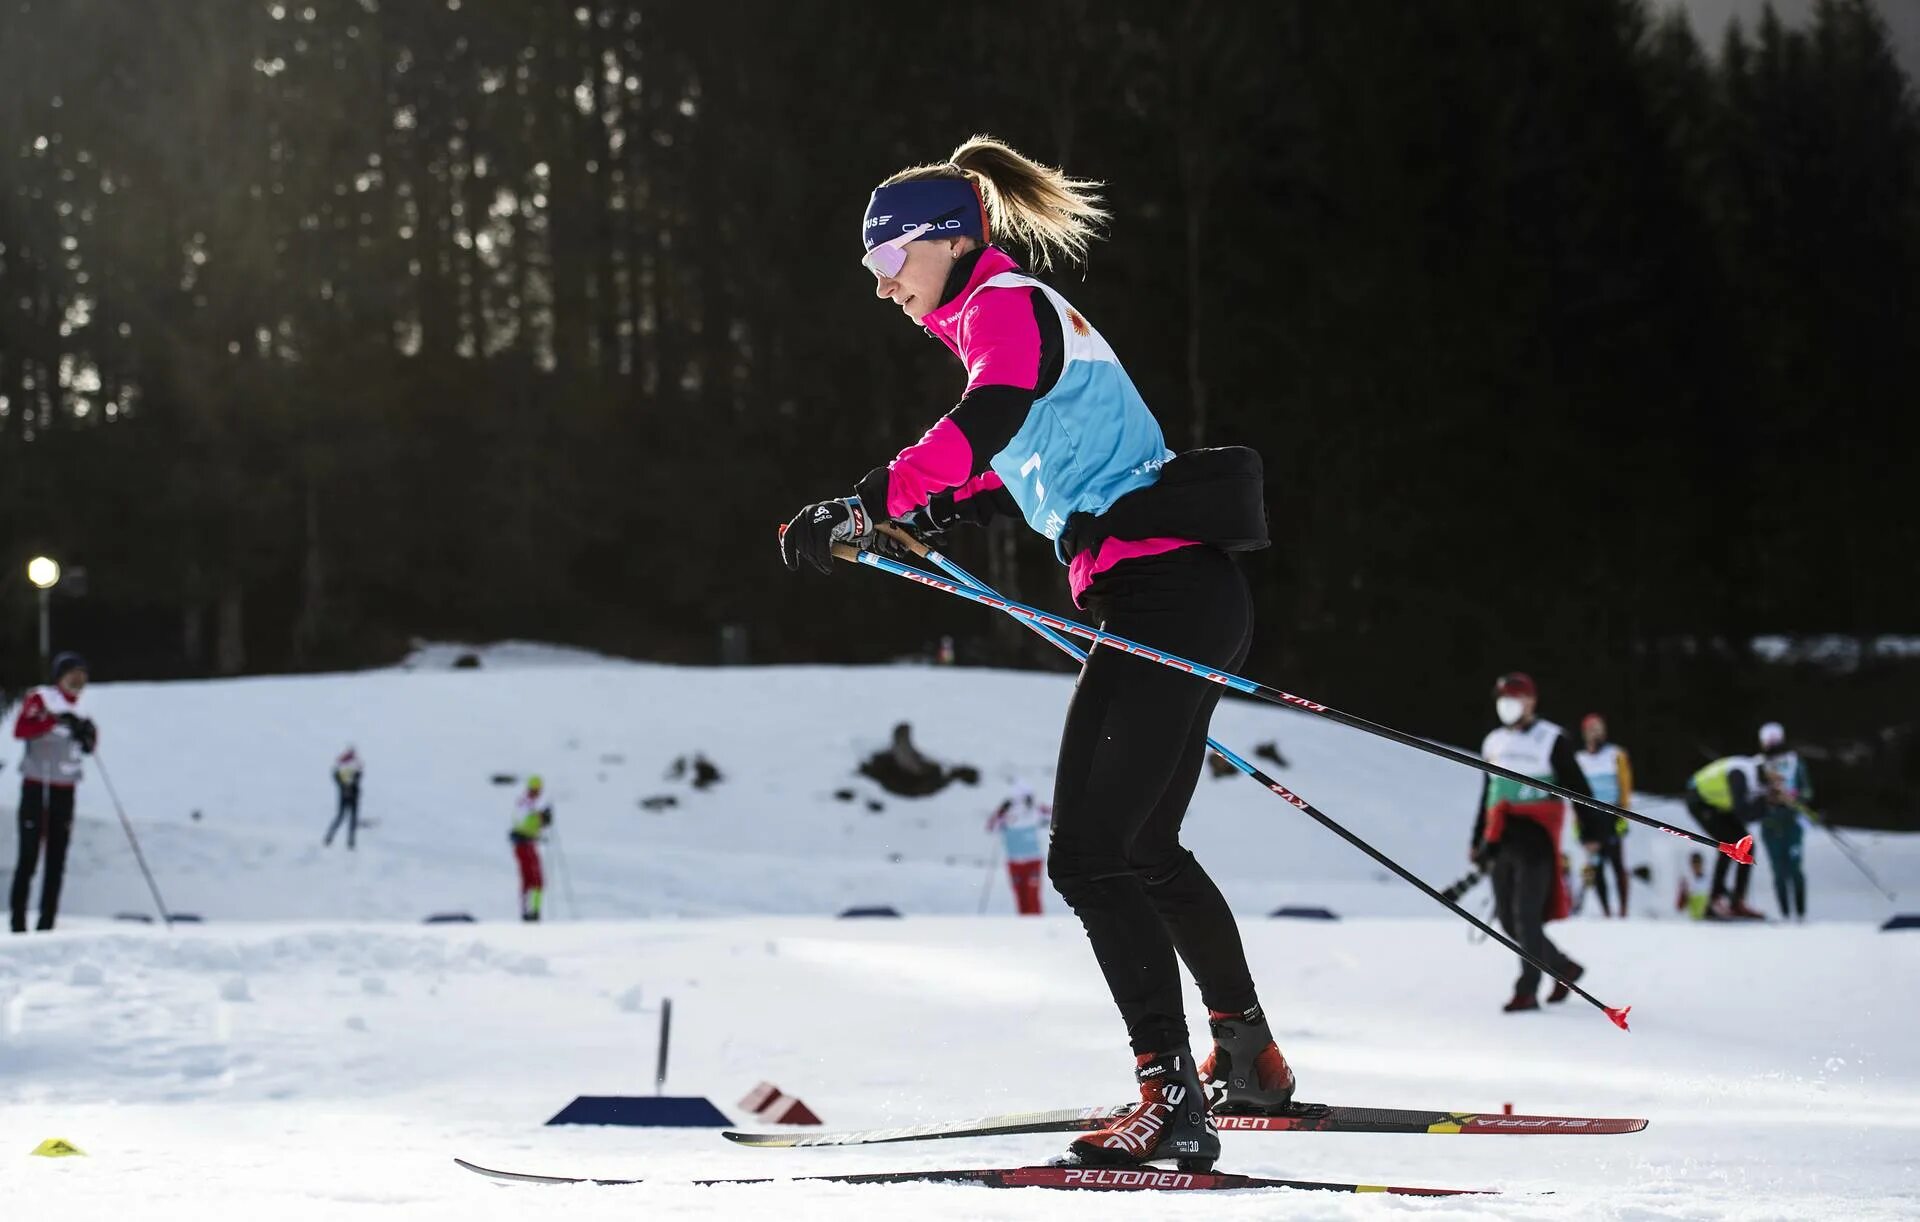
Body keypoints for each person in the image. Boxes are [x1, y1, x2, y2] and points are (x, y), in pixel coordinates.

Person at [777, 136, 1287, 1171]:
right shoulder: (1000, 321)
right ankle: (1248, 1055)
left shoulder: (1006, 305)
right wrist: (913, 517)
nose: (883, 288)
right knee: (1143, 850)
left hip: (1164, 594)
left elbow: (984, 423)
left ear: (944, 240)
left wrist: (865, 500)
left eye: (887, 263)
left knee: (1087, 855)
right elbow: (1003, 457)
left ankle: (1171, 1096)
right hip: (1185, 596)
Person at [1469, 673, 1591, 1013]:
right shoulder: (1493, 741)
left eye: (1514, 696)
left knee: (1526, 915)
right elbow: (1488, 793)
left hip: (1536, 839)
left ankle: (1527, 989)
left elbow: (1579, 789)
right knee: (1509, 920)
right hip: (1501, 837)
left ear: (1531, 701)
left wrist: (1594, 832)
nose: (1506, 703)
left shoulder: (1551, 739)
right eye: (1502, 697)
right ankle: (1563, 967)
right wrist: (1478, 838)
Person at [11, 652, 97, 934]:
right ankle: (18, 922)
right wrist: (54, 721)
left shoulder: (83, 709)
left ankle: (47, 923)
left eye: (82, 675)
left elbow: (89, 746)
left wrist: (86, 736)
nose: (78, 680)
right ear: (59, 677)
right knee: (29, 856)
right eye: (72, 674)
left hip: (65, 789)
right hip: (38, 785)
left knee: (57, 860)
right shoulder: (42, 699)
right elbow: (22, 729)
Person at [1683, 754, 1772, 919]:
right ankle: (1717, 900)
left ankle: (1736, 901)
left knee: (1746, 846)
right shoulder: (1741, 773)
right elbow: (1743, 812)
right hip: (1698, 799)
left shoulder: (1755, 778)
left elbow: (1746, 810)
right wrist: (1767, 806)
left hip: (1713, 804)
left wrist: (1765, 804)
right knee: (1730, 845)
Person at [1573, 713, 1632, 918]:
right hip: (1590, 816)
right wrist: (1578, 823)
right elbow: (1575, 792)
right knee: (1596, 865)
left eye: (1599, 728)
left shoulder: (1615, 754)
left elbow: (1625, 786)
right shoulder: (1579, 759)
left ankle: (1623, 911)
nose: (1596, 732)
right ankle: (1606, 911)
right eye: (1592, 728)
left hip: (1612, 813)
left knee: (1616, 863)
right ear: (1585, 733)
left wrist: (1624, 816)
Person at [1756, 722, 1813, 921]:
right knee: (1779, 871)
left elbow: (1807, 791)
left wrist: (1795, 796)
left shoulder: (1794, 761)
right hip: (1770, 825)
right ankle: (1785, 915)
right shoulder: (1758, 764)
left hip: (1791, 823)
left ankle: (1800, 914)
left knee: (1794, 869)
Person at [985, 780, 1052, 914]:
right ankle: (1024, 924)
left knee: (1032, 893)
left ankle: (1035, 921)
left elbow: (1053, 815)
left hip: (1033, 860)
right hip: (1014, 861)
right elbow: (992, 827)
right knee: (1020, 894)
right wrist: (1000, 811)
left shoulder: (1035, 811)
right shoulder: (1007, 815)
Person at [509, 775, 553, 922]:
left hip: (527, 844)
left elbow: (533, 821)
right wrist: (542, 816)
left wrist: (542, 822)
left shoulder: (529, 803)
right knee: (535, 879)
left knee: (530, 880)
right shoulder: (527, 803)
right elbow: (525, 819)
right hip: (524, 844)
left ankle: (530, 911)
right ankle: (532, 912)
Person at [326, 746, 364, 849]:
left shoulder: (351, 764)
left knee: (347, 818)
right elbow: (340, 778)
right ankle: (332, 838)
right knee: (343, 817)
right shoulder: (346, 765)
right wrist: (345, 787)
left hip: (350, 795)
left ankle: (348, 842)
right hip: (347, 795)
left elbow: (358, 777)